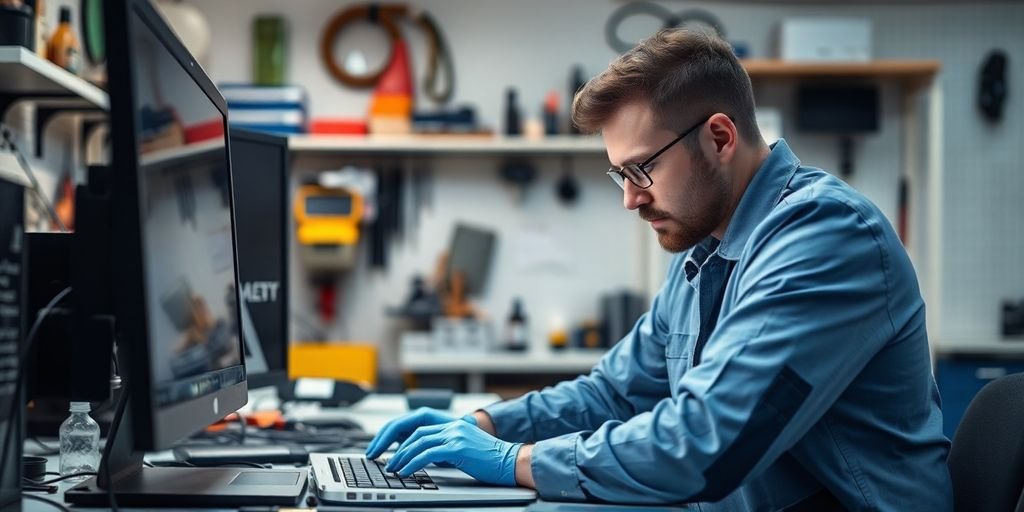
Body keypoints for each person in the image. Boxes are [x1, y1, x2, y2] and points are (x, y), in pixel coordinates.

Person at [366, 28, 952, 510]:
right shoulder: (706, 251)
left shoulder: (825, 238)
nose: (630, 198)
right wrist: (485, 424)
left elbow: (703, 445)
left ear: (719, 137)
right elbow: (616, 393)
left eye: (641, 170)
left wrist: (514, 462)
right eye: (620, 175)